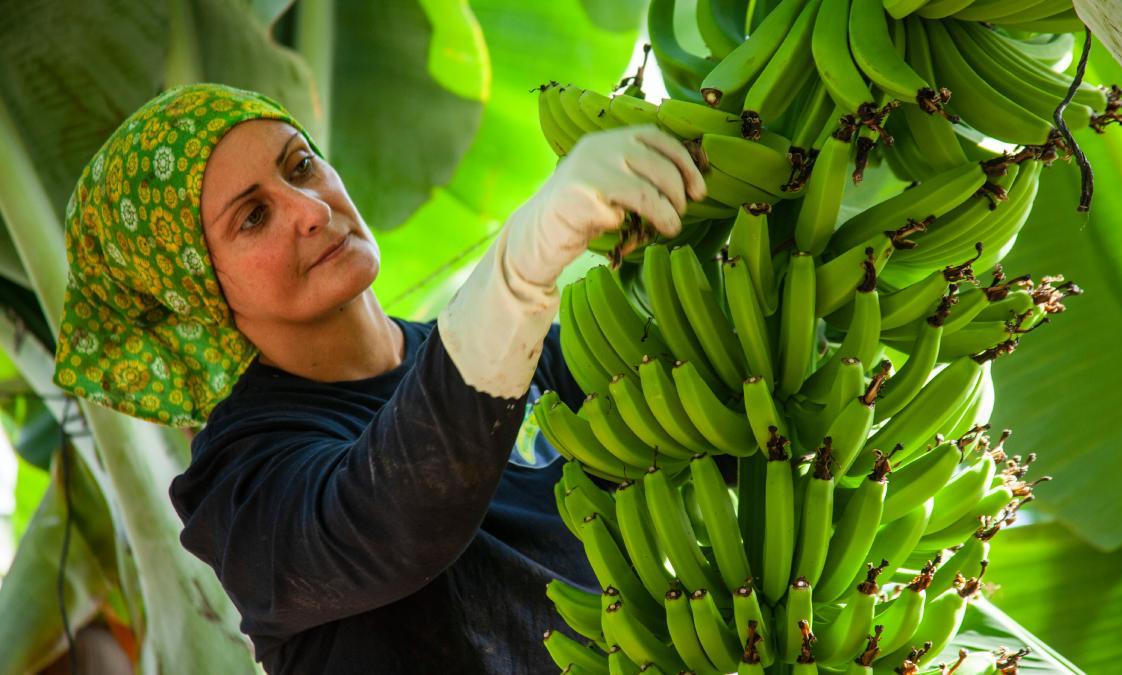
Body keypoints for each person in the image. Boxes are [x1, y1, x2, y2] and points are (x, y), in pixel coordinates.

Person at [51, 82, 707, 673]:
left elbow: (711, 419)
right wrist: (516, 271)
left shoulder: (537, 356)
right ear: (200, 289)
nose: (308, 208)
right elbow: (392, 518)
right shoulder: (240, 480)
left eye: (300, 165)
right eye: (253, 216)